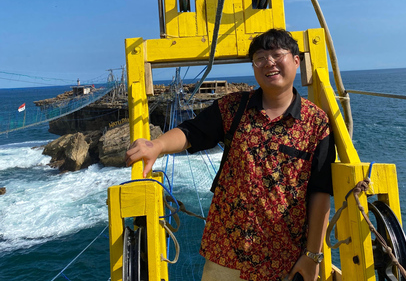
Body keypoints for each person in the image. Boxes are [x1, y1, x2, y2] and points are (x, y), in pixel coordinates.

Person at [125, 29, 335, 281]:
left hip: (284, 259)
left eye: (277, 55)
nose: (269, 62)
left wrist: (312, 256)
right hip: (226, 253)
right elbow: (192, 131)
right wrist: (157, 145)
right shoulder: (233, 107)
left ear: (297, 60)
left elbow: (320, 192)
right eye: (260, 58)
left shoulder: (316, 122)